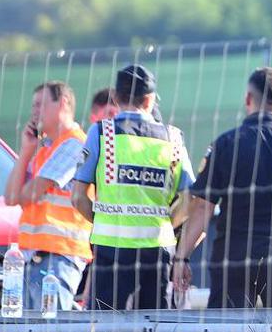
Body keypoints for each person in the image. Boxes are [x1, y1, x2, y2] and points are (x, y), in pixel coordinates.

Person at [172, 67, 272, 309]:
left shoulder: (225, 144)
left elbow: (202, 207)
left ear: (247, 99)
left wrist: (182, 257)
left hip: (235, 257)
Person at [72, 65, 195, 310]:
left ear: (116, 98)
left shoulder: (101, 133)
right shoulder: (173, 138)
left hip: (111, 249)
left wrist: (102, 219)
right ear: (150, 100)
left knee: (105, 329)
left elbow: (77, 197)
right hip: (157, 249)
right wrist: (168, 222)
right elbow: (190, 199)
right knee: (155, 328)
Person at [2, 81, 92, 310]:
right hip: (33, 253)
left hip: (59, 253)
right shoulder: (44, 149)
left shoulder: (75, 144)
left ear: (62, 103)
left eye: (40, 104)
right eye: (33, 105)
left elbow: (31, 192)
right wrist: (26, 151)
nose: (34, 111)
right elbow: (11, 197)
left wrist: (25, 192)